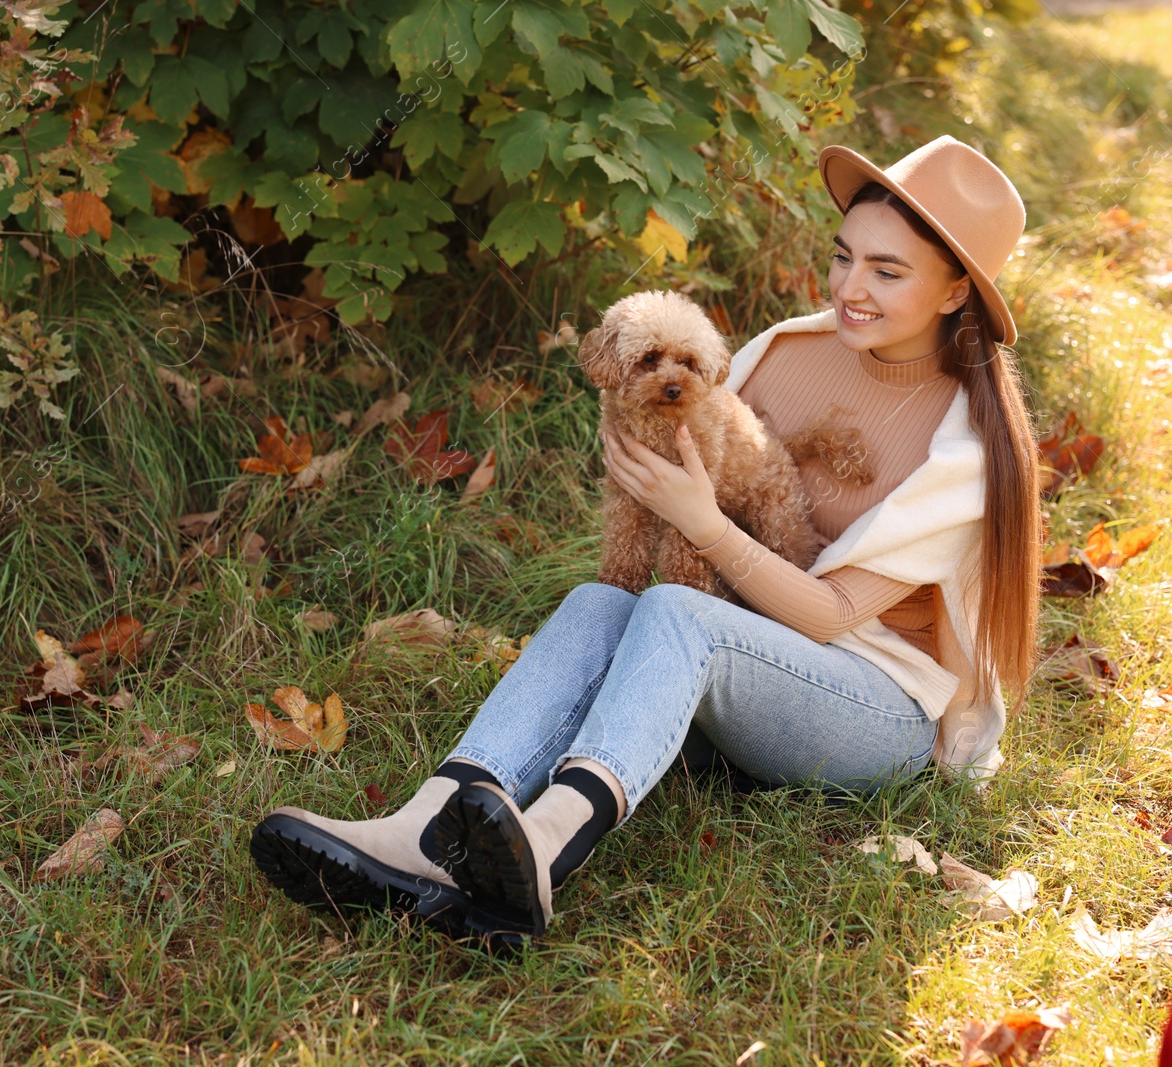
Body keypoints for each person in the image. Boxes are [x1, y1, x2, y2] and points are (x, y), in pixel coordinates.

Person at [249, 135, 1045, 953]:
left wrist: (700, 525)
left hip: (872, 711)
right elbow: (692, 448)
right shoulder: (790, 348)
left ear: (955, 293)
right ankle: (423, 829)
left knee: (675, 605)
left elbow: (836, 614)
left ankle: (546, 850)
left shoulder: (964, 450)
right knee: (604, 597)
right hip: (748, 661)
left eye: (888, 271)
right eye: (844, 256)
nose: (849, 287)